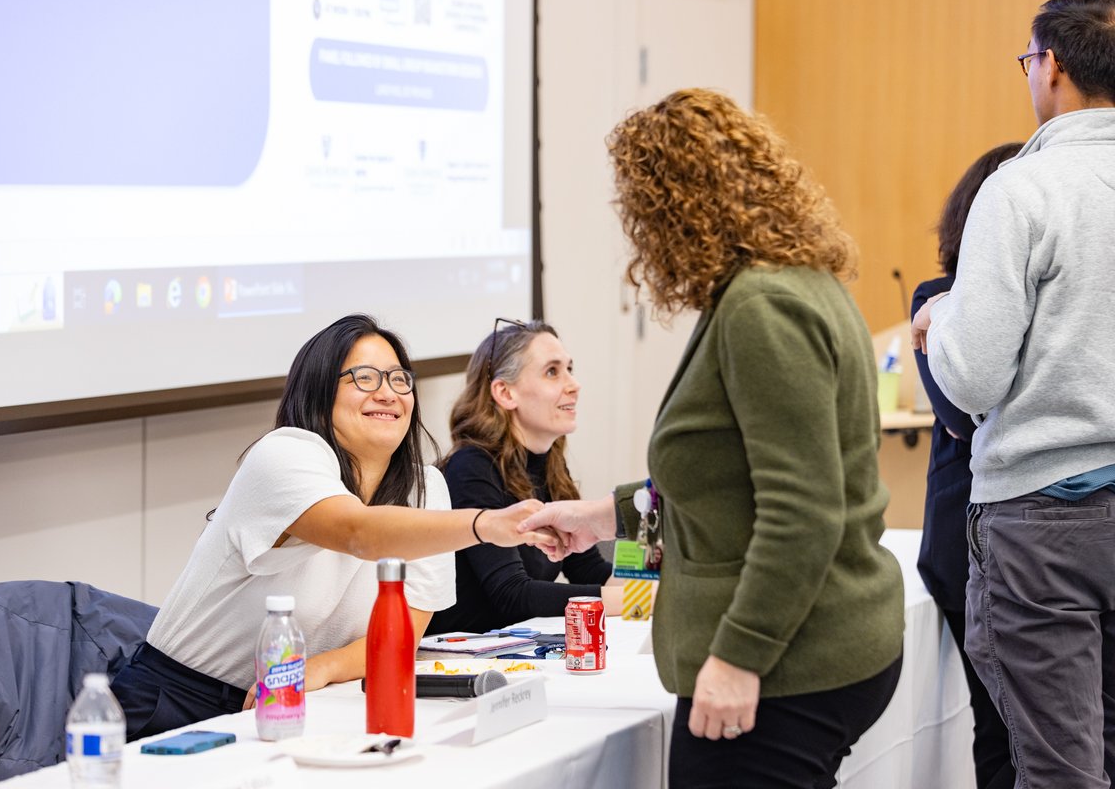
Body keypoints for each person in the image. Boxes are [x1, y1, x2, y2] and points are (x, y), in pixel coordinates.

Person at [520, 89, 905, 788]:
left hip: (788, 663)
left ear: (675, 203)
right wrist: (600, 516)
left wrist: (739, 656)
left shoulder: (762, 306)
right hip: (811, 649)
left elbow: (802, 511)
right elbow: (726, 477)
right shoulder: (785, 284)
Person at [110, 314, 550, 739]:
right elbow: (358, 533)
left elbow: (401, 637)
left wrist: (319, 667)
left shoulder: (426, 487)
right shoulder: (284, 454)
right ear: (320, 392)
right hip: (178, 700)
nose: (388, 393)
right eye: (364, 378)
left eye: (399, 379)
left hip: (296, 696)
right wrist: (484, 524)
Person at [911, 0, 1115, 785]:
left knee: (1058, 768)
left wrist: (946, 319)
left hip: (1045, 518)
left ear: (1051, 67)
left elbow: (973, 379)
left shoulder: (1024, 189)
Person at [913, 142, 1021, 789]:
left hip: (1022, 528)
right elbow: (957, 413)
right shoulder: (941, 297)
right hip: (967, 534)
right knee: (1000, 722)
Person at [425, 319, 619, 636]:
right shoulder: (470, 467)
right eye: (553, 372)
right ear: (505, 392)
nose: (574, 384)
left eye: (570, 369)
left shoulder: (550, 465)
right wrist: (640, 601)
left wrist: (660, 588)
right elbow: (513, 595)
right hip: (460, 664)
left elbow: (590, 570)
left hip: (514, 655)